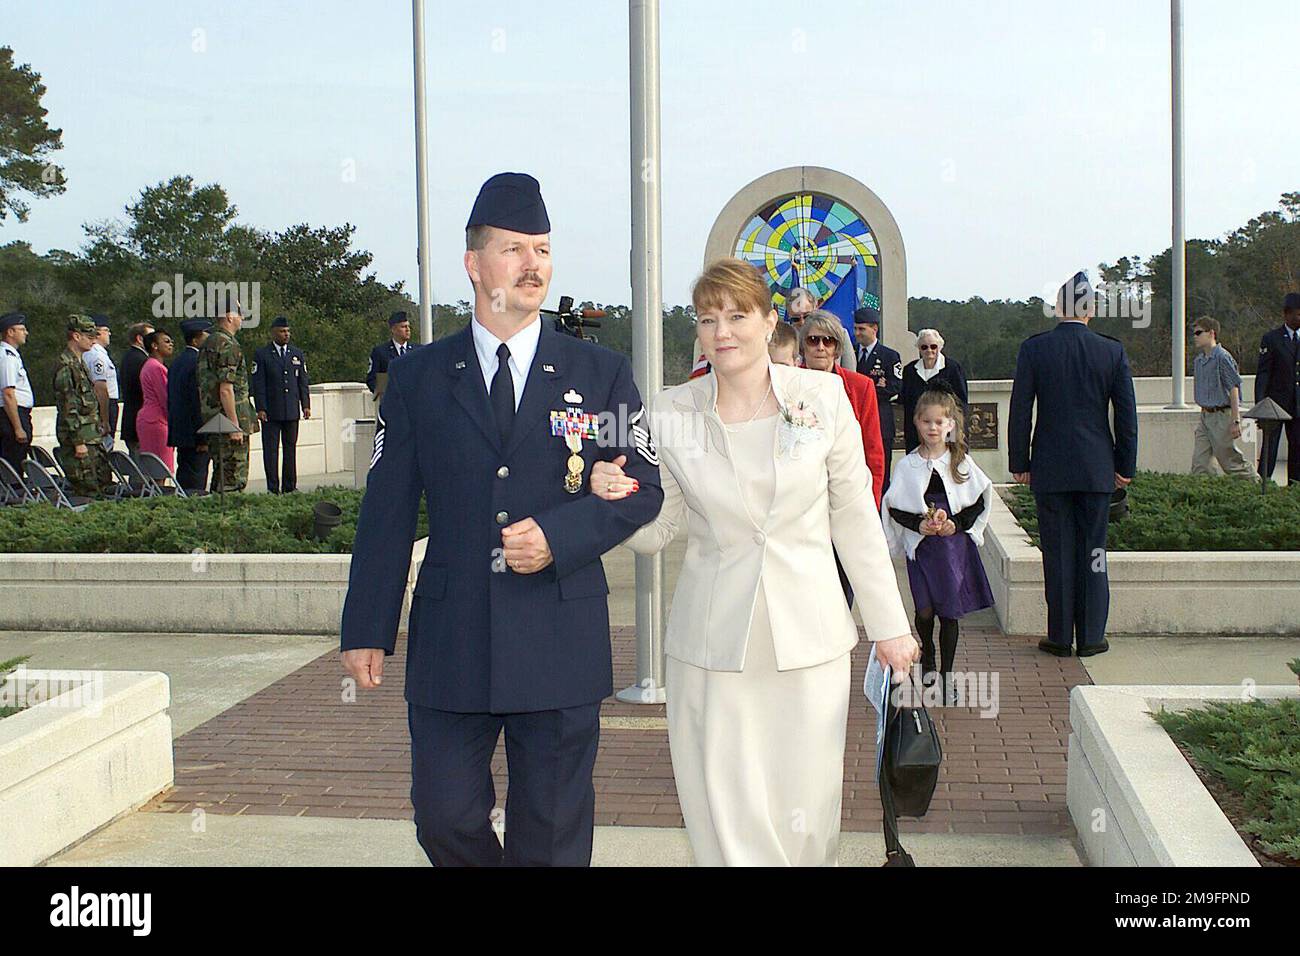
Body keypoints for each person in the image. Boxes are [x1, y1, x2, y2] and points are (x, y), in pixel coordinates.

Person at [339, 172, 663, 867]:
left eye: (543, 249)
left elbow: (644, 485)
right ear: (474, 264)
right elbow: (387, 510)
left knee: (551, 835)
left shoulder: (599, 372)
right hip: (454, 640)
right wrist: (368, 625)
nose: (534, 265)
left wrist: (561, 535)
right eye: (515, 249)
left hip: (558, 635)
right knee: (444, 816)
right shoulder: (421, 378)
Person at [590, 258, 918, 866]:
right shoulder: (670, 412)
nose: (722, 331)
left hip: (809, 641)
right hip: (712, 647)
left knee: (806, 805)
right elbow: (662, 529)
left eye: (738, 315)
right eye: (708, 319)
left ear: (771, 322)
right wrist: (616, 500)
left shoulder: (822, 397)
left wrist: (891, 627)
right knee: (725, 806)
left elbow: (853, 517)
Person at [1009, 271, 1137, 658]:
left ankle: (1060, 637)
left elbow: (1020, 411)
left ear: (1058, 308)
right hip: (1097, 467)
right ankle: (1093, 636)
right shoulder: (1111, 351)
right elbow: (1126, 415)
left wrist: (1021, 461)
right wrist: (1124, 465)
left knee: (1058, 552)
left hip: (1049, 467)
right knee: (1094, 551)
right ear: (1091, 310)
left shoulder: (1035, 349)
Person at [883, 389, 994, 704]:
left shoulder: (960, 463)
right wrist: (918, 525)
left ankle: (945, 677)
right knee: (924, 610)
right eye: (926, 421)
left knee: (948, 612)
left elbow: (977, 501)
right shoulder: (907, 466)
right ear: (917, 423)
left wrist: (955, 525)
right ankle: (927, 654)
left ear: (950, 425)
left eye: (939, 422)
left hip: (950, 549)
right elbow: (894, 508)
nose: (932, 427)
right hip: (923, 550)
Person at [800, 309, 884, 509]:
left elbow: (873, 451)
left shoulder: (860, 387)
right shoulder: (788, 383)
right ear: (803, 346)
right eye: (813, 340)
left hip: (848, 492)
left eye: (828, 341)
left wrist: (871, 504)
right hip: (802, 496)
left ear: (837, 348)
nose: (820, 347)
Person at [198, 306, 257, 493]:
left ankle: (218, 517)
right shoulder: (227, 344)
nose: (241, 319)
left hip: (214, 418)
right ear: (230, 317)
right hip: (229, 420)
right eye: (239, 315)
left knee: (221, 475)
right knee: (233, 479)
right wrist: (235, 425)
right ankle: (229, 519)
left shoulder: (209, 342)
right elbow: (226, 389)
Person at [53, 315, 114, 498]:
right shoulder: (67, 366)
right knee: (88, 492)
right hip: (81, 441)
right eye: (89, 336)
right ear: (76, 336)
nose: (94, 340)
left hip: (91, 438)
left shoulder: (79, 363)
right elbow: (68, 407)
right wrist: (78, 442)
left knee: (101, 487)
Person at [252, 316, 312, 494]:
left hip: (291, 410)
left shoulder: (296, 354)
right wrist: (260, 408)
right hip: (271, 411)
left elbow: (303, 381)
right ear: (273, 333)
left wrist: (305, 405)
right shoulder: (262, 354)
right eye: (282, 331)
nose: (286, 334)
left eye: (287, 331)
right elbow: (259, 383)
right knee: (271, 451)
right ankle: (272, 487)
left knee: (290, 449)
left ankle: (289, 486)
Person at [1190, 317, 1255, 479]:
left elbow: (1233, 388)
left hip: (1221, 416)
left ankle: (1254, 484)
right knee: (1200, 463)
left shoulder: (1222, 357)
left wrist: (1235, 420)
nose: (1195, 337)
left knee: (1231, 463)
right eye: (1194, 333)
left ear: (1211, 333)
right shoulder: (1199, 361)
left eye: (1199, 333)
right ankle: (1205, 496)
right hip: (1205, 416)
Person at [854, 305, 903, 499]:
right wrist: (876, 386)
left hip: (881, 421)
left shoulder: (889, 356)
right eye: (856, 328)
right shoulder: (848, 352)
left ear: (874, 329)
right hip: (856, 421)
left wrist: (869, 391)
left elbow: (895, 386)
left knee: (881, 473)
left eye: (861, 329)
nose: (857, 333)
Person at [1254, 292, 1300, 484]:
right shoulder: (1272, 339)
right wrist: (1261, 406)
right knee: (1269, 448)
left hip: (1298, 406)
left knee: (1297, 449)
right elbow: (1263, 374)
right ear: (1287, 314)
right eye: (1297, 314)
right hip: (1275, 405)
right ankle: (1264, 484)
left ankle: (1294, 487)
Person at [901, 328, 968, 452]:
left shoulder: (953, 368)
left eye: (933, 346)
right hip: (916, 432)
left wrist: (955, 432)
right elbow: (905, 399)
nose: (929, 350)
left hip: (947, 431)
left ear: (940, 347)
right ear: (919, 348)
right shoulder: (909, 370)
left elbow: (961, 401)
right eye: (924, 347)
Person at [168, 319, 212, 492]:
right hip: (195, 434)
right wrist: (202, 437)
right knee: (196, 481)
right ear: (195, 340)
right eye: (205, 335)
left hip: (181, 432)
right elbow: (196, 402)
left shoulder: (177, 362)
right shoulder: (197, 363)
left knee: (184, 475)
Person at [0, 312, 35, 475]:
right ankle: (15, 496)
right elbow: (8, 393)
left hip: (16, 413)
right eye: (21, 329)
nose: (26, 332)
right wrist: (18, 427)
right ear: (10, 332)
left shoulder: (12, 355)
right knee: (14, 461)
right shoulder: (7, 357)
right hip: (12, 416)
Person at [136, 329, 175, 472]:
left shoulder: (149, 365)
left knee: (154, 468)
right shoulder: (156, 368)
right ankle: (161, 494)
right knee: (160, 468)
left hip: (148, 419)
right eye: (166, 341)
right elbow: (165, 398)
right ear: (154, 346)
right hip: (157, 421)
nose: (170, 344)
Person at [117, 321, 154, 462]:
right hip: (141, 422)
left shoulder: (129, 357)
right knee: (143, 470)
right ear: (139, 339)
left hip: (131, 420)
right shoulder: (141, 360)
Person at [83, 316, 119, 450]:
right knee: (105, 447)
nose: (109, 334)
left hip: (105, 403)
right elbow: (100, 388)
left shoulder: (95, 354)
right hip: (105, 405)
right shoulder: (97, 356)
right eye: (106, 330)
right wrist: (105, 419)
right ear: (97, 332)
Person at [367, 311, 416, 396]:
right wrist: (387, 394)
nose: (408, 330)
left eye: (408, 326)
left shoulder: (417, 350)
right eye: (403, 327)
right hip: (392, 403)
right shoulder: (380, 352)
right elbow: (372, 379)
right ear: (393, 329)